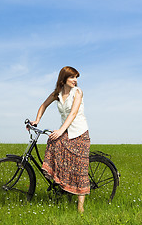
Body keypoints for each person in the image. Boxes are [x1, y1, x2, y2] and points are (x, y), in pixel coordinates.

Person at [31, 66, 90, 213]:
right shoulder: (57, 93)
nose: (75, 80)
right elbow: (43, 105)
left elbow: (73, 113)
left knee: (80, 168)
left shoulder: (78, 92)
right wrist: (36, 120)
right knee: (52, 142)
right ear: (63, 79)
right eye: (72, 77)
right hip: (66, 130)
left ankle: (80, 207)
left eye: (76, 77)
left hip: (79, 132)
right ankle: (62, 182)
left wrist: (60, 131)